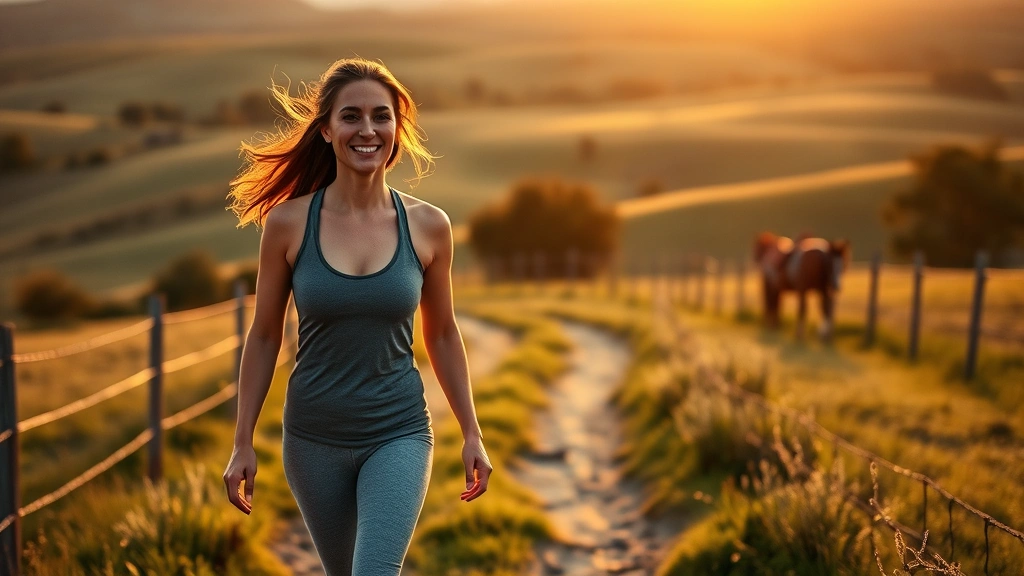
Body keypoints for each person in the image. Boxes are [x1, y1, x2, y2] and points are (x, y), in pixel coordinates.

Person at [222, 57, 493, 575]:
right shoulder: (287, 224)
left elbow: (442, 334)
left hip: (399, 432)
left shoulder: (430, 226)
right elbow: (262, 338)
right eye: (351, 116)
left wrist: (472, 432)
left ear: (397, 127)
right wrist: (242, 442)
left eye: (381, 116)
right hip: (312, 439)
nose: (367, 130)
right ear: (326, 130)